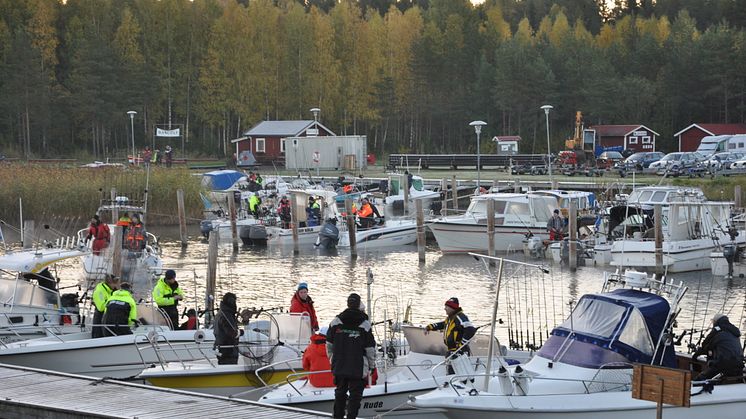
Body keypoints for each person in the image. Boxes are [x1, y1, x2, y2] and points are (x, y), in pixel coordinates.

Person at [326, 293, 376, 419]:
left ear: (348, 304)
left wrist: (332, 360)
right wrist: (371, 365)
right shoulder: (365, 324)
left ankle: (337, 416)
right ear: (359, 305)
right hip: (357, 366)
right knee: (355, 396)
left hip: (340, 364)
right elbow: (370, 349)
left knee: (340, 392)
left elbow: (329, 345)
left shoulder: (335, 322)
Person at [425, 297, 477, 374]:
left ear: (452, 307)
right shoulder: (450, 318)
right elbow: (443, 324)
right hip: (452, 351)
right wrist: (430, 327)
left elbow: (471, 329)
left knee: (459, 373)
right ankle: (450, 383)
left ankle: (459, 384)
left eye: (446, 307)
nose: (445, 308)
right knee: (451, 372)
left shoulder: (460, 317)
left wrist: (461, 344)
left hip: (460, 351)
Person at [693, 313, 744, 381]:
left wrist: (697, 354)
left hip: (723, 365)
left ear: (715, 322)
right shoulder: (734, 332)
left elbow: (706, 346)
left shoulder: (717, 331)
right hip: (739, 365)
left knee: (698, 380)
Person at [214, 292, 241, 365]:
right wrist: (241, 332)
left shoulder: (220, 313)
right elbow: (232, 333)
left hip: (221, 348)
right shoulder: (226, 315)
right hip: (228, 350)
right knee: (228, 366)